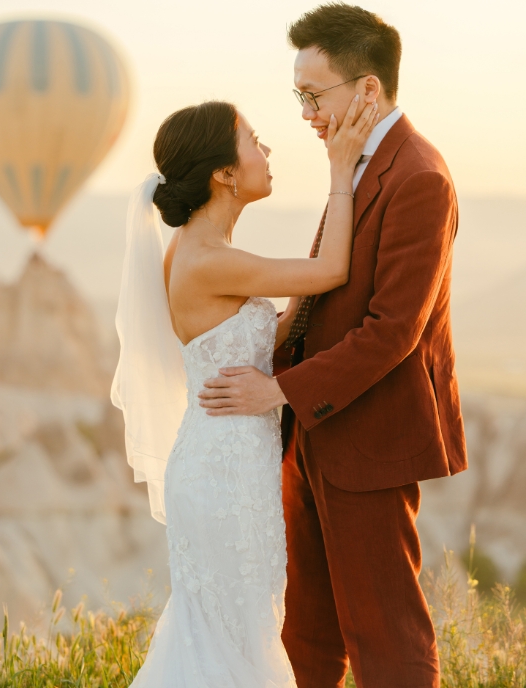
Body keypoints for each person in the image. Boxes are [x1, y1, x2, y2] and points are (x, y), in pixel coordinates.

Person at [198, 3, 466, 688]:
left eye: (313, 96)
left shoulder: (420, 177)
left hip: (369, 441)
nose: (306, 114)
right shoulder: (354, 167)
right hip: (312, 435)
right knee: (306, 637)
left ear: (367, 90)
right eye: (300, 98)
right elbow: (321, 293)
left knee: (385, 636)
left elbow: (393, 332)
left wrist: (278, 388)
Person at [112, 97, 376, 685]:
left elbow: (255, 335)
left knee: (237, 633)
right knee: (234, 643)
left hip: (232, 465)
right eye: (254, 141)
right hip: (223, 475)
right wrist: (341, 168)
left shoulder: (201, 250)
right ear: (225, 173)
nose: (267, 151)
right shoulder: (208, 258)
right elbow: (334, 269)